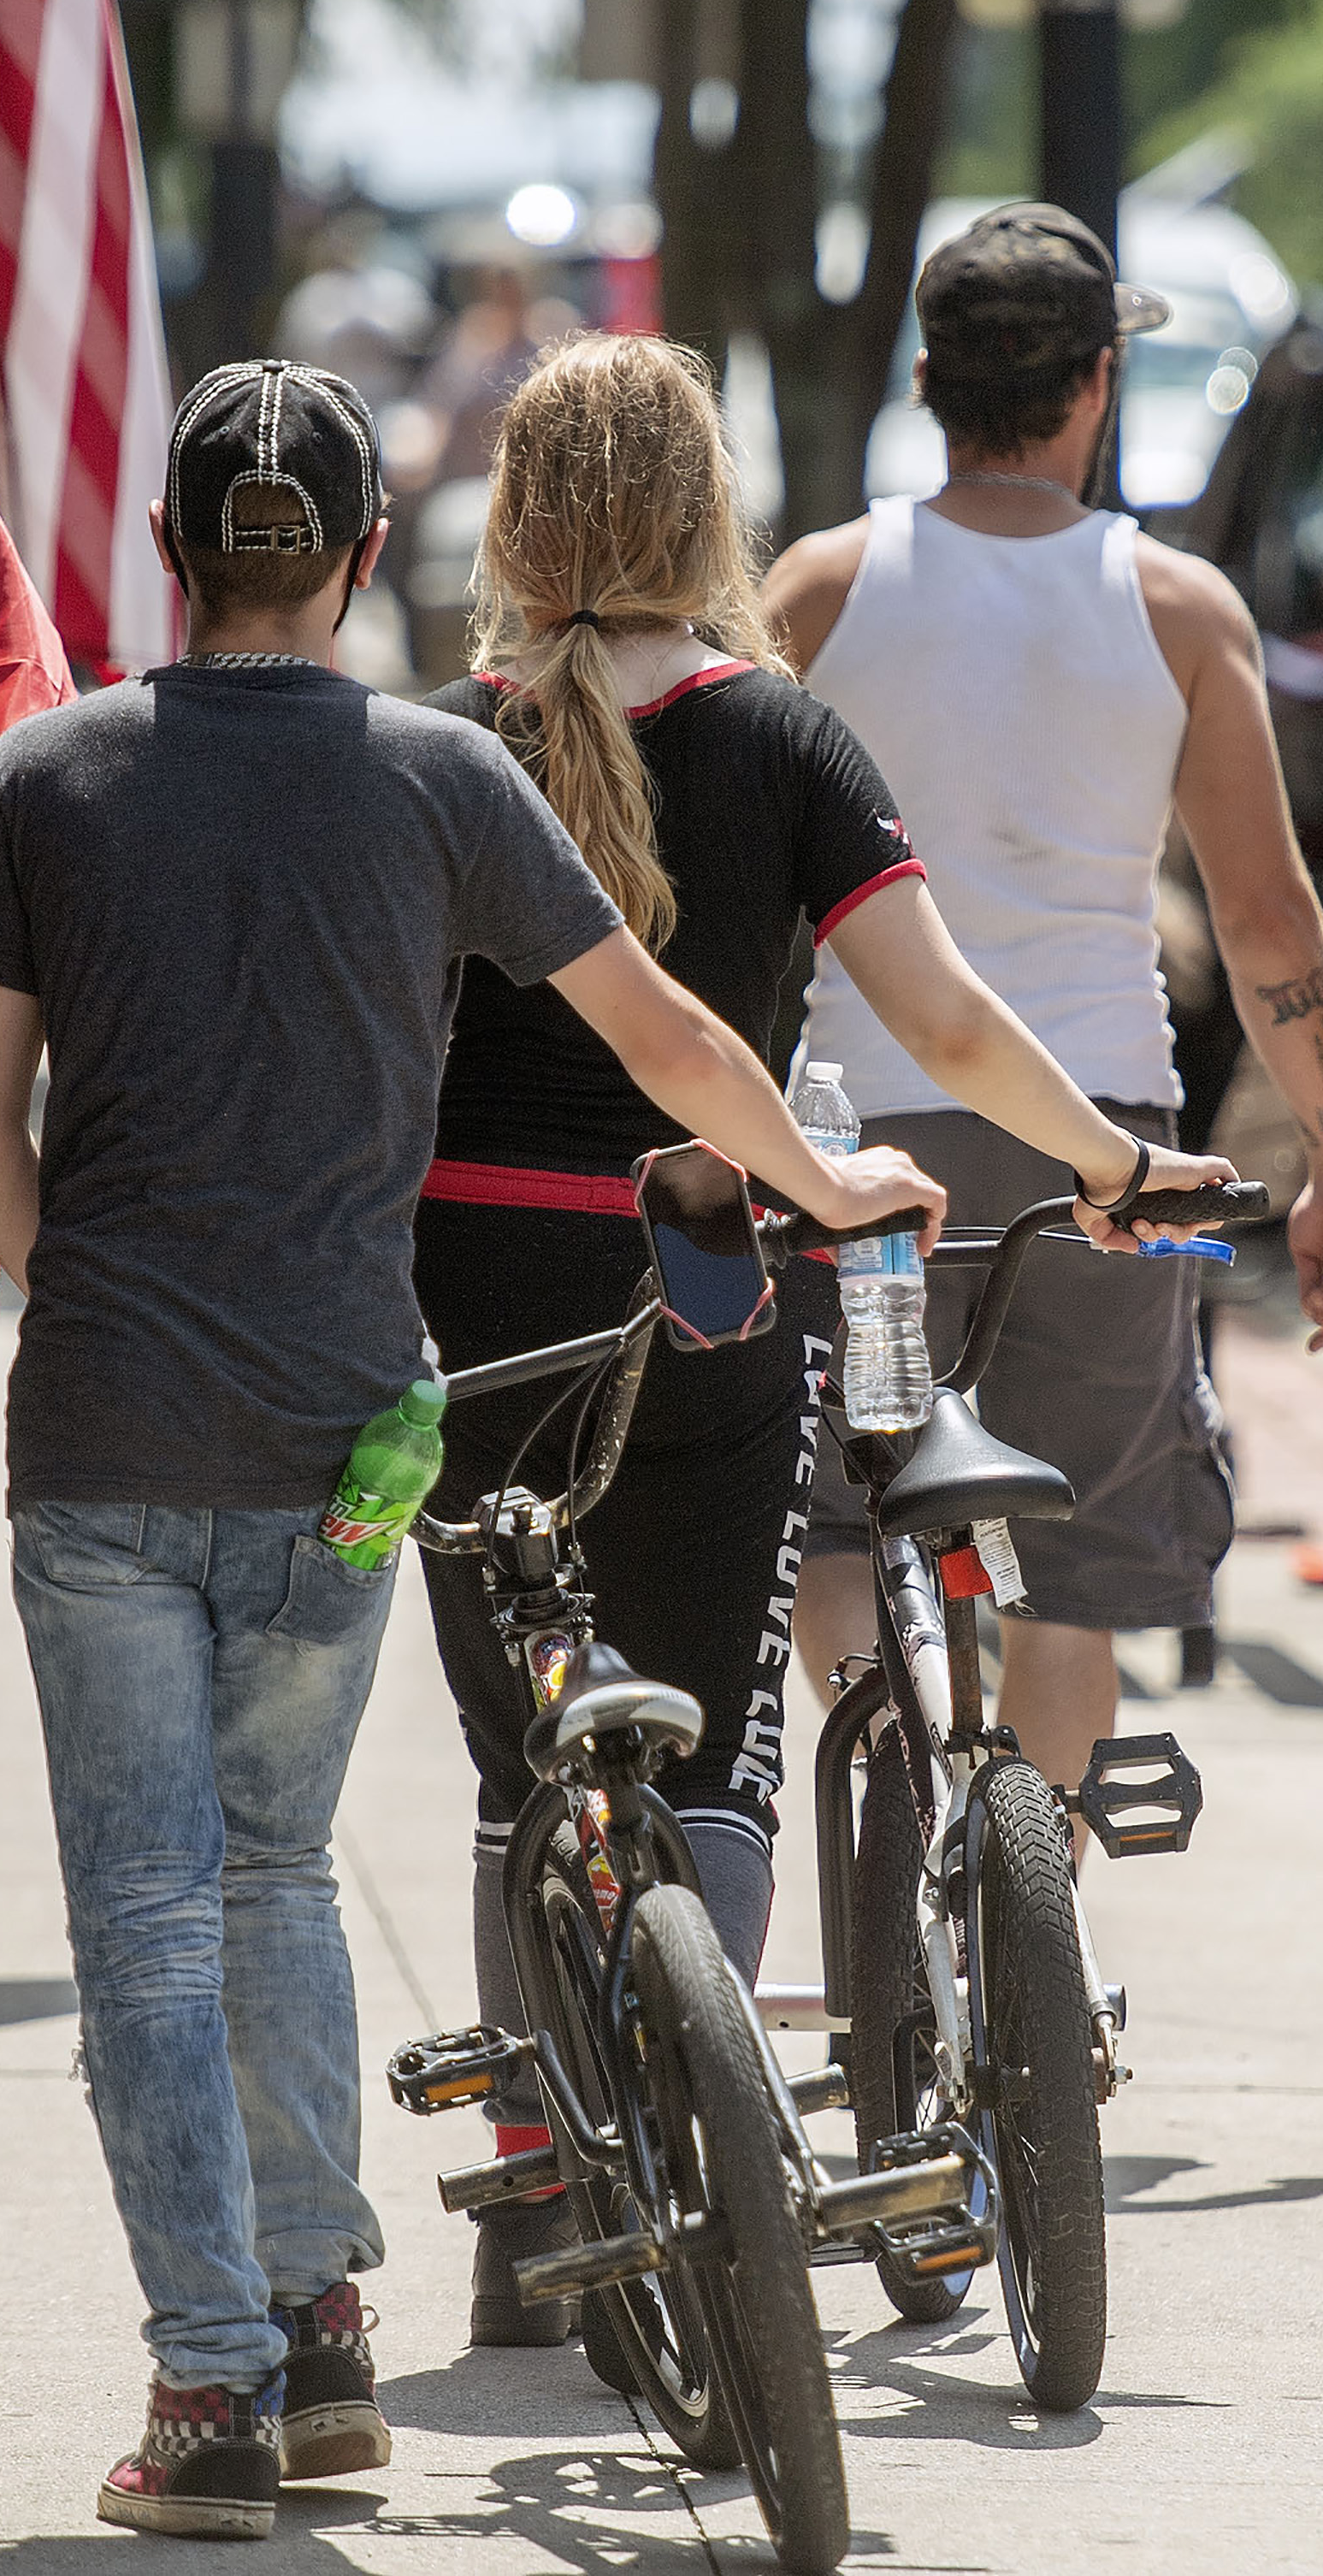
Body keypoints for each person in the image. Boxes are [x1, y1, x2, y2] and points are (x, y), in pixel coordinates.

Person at [0, 357, 945, 2542]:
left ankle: (206, 2388)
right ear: (368, 560)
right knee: (275, 1870)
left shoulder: (38, 778)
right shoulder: (433, 775)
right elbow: (668, 1030)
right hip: (344, 1426)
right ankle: (318, 2329)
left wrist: (68, 1297)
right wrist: (828, 1184)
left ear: (171, 550)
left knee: (143, 1897)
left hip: (114, 1422)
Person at [412, 331, 1234, 2346]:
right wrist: (1113, 1159)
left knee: (527, 1766)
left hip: (473, 1305)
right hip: (706, 1282)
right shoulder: (779, 740)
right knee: (706, 1729)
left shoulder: (444, 745)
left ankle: (534, 2198)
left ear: (514, 522)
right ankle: (704, 2147)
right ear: (706, 512)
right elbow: (940, 1022)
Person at [765, 201, 1323, 1799]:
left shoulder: (821, 593)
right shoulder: (1180, 612)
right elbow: (1261, 914)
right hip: (1107, 1146)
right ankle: (1027, 1956)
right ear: (1100, 384)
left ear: (925, 378)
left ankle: (890, 1861)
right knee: (1079, 1556)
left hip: (862, 1137)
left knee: (844, 1518)